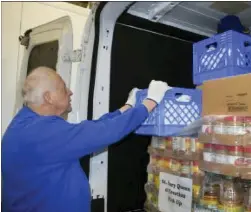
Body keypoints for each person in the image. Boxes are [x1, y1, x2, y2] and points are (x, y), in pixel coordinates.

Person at [2, 66, 170, 212]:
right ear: (48, 97)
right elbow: (104, 132)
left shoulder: (27, 124)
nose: (70, 92)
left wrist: (126, 108)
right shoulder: (42, 133)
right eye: (63, 88)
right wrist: (150, 102)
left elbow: (90, 128)